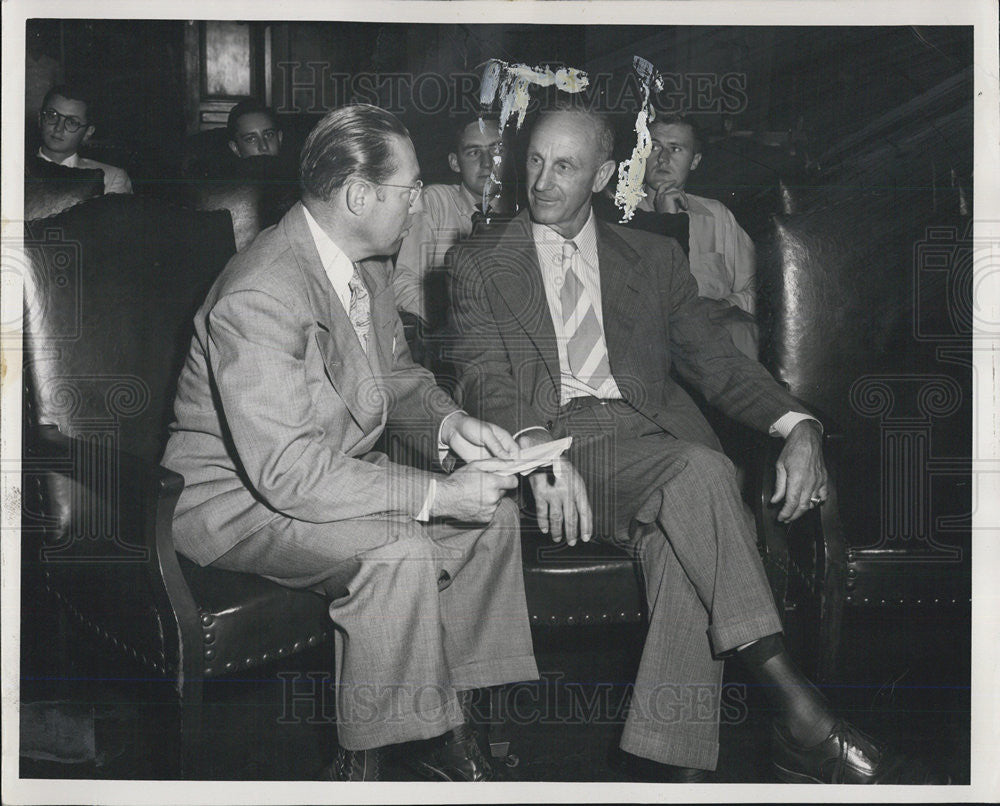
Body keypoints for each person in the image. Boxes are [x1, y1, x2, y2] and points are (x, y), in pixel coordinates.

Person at [447, 105, 945, 784]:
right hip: (562, 447)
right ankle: (800, 713)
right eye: (534, 159)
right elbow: (482, 377)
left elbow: (718, 363)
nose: (541, 180)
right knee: (704, 473)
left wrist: (799, 424)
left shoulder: (652, 256)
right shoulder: (479, 259)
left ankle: (674, 775)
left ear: (603, 174)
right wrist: (535, 447)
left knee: (684, 554)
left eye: (564, 165)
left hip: (654, 444)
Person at [161, 104, 539, 782]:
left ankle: (452, 724)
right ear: (359, 196)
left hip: (323, 472)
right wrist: (438, 492)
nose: (420, 201)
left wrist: (454, 428)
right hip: (233, 500)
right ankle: (362, 762)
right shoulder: (262, 292)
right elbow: (288, 473)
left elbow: (394, 378)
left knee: (495, 520)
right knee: (398, 548)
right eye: (411, 188)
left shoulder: (361, 264)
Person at [600, 114, 757, 358]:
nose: (663, 158)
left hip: (721, 347)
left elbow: (757, 289)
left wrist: (723, 305)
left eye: (676, 148)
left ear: (694, 161)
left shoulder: (717, 216)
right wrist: (668, 222)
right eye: (653, 147)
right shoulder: (618, 218)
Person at [391, 116, 509, 327]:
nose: (487, 163)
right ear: (455, 163)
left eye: (495, 150)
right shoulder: (435, 202)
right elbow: (403, 282)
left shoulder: (525, 215)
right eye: (474, 152)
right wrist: (460, 323)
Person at [35, 84, 132, 194]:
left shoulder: (110, 178)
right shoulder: (16, 169)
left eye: (72, 122)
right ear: (39, 118)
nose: (58, 128)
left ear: (88, 132)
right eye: (52, 116)